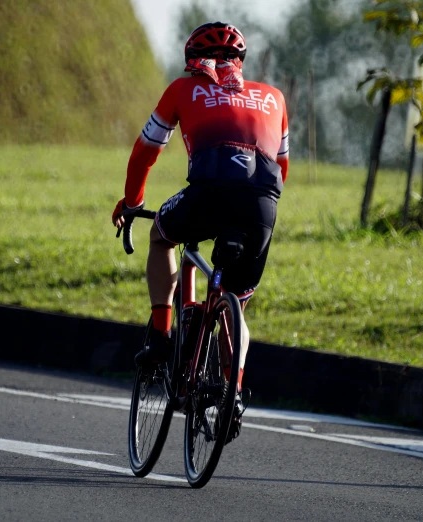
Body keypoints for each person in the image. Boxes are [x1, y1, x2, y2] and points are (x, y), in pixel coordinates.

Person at [111, 22, 289, 428]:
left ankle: (160, 335)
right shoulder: (274, 97)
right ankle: (234, 395)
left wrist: (133, 202)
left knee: (161, 233)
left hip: (208, 193)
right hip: (263, 204)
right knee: (235, 309)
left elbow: (145, 153)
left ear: (193, 62)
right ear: (241, 61)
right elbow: (282, 168)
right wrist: (258, 211)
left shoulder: (183, 88)